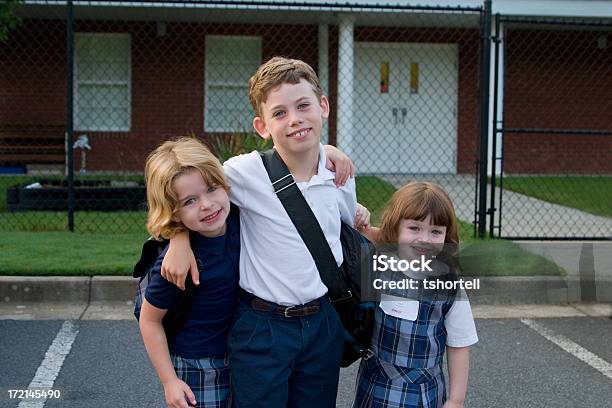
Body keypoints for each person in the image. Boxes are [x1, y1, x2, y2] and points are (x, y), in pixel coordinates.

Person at [162, 57, 361, 407]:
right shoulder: (244, 172)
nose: (295, 119)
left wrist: (330, 152)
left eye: (303, 106)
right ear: (262, 126)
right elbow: (192, 198)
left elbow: (347, 226)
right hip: (262, 328)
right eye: (280, 113)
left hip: (321, 323)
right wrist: (178, 238)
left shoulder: (339, 175)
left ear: (323, 107)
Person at [355, 181, 478, 408]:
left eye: (436, 232)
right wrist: (357, 212)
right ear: (395, 227)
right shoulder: (378, 265)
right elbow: (349, 228)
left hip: (424, 393)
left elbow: (459, 343)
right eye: (414, 228)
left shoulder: (448, 284)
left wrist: (456, 400)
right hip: (375, 387)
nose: (424, 239)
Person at [138, 137, 239, 408]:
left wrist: (328, 153)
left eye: (212, 189)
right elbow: (149, 321)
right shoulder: (174, 266)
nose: (207, 205)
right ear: (173, 212)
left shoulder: (241, 220)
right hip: (198, 366)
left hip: (245, 357)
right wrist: (169, 381)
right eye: (190, 201)